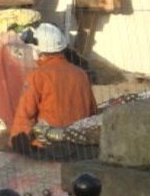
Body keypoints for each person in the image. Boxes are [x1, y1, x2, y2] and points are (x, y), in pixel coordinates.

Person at [8, 23, 97, 152]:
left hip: (48, 148)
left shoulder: (37, 76)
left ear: (38, 50)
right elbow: (92, 111)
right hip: (78, 147)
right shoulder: (81, 74)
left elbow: (25, 114)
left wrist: (16, 143)